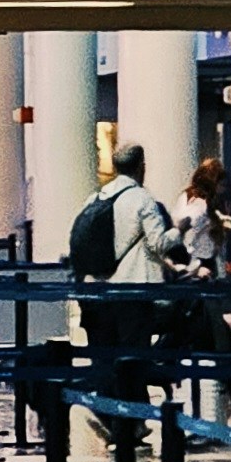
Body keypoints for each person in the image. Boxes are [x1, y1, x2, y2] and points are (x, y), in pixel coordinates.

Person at [69, 143, 177, 402]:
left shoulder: (95, 197)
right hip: (133, 293)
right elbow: (158, 243)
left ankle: (109, 415)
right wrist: (179, 230)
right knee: (133, 361)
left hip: (97, 293)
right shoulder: (142, 199)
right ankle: (133, 422)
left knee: (105, 360)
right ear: (141, 166)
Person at [175, 156, 231, 408]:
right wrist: (195, 268)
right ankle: (225, 392)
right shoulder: (201, 207)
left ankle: (219, 395)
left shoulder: (187, 198)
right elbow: (187, 236)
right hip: (200, 276)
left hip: (192, 274)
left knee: (207, 340)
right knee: (217, 341)